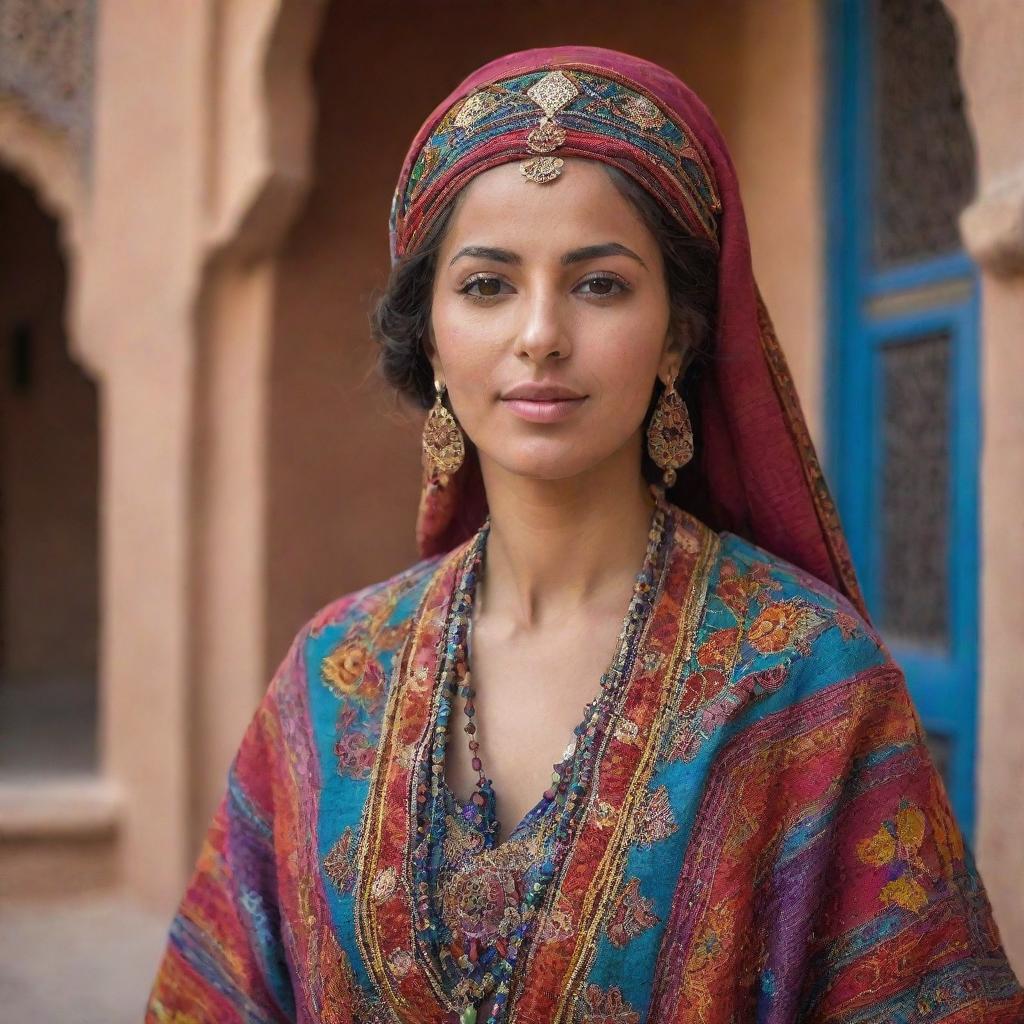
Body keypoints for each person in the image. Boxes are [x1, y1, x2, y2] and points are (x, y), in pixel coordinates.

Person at [145, 45, 1023, 1024]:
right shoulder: (334, 676)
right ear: (431, 334)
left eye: (599, 284)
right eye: (486, 286)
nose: (539, 335)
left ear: (679, 334)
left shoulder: (804, 678)